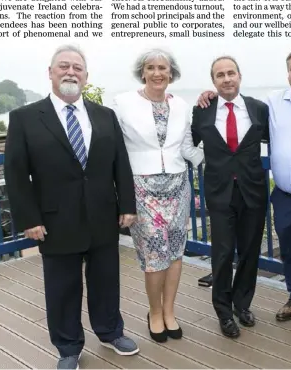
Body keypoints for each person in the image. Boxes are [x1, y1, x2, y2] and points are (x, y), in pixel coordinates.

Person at [196, 45, 291, 328]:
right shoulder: (272, 103)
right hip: (284, 195)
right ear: (288, 73)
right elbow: (230, 113)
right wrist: (210, 95)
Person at [4, 44, 139, 369]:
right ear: (51, 73)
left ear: (86, 76)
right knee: (62, 288)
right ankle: (68, 348)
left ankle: (109, 331)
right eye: (63, 66)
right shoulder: (25, 118)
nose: (70, 72)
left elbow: (120, 163)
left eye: (77, 68)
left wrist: (128, 204)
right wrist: (29, 218)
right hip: (54, 220)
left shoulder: (104, 116)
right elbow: (16, 172)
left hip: (103, 215)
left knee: (106, 280)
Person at [111, 48, 204, 343]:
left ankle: (169, 311)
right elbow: (114, 151)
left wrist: (223, 155)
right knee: (154, 255)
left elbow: (187, 148)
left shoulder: (182, 105)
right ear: (143, 72)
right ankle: (153, 312)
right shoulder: (122, 104)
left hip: (178, 186)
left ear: (171, 73)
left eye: (162, 68)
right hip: (142, 187)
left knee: (175, 251)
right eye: (151, 67)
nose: (157, 73)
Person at [191, 56, 269, 338]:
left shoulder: (259, 109)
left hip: (253, 191)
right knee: (222, 254)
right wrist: (206, 159)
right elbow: (187, 143)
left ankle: (242, 304)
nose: (226, 79)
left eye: (231, 73)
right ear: (213, 81)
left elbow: (282, 139)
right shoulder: (202, 110)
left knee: (250, 252)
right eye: (220, 75)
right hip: (219, 192)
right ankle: (223, 312)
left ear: (239, 75)